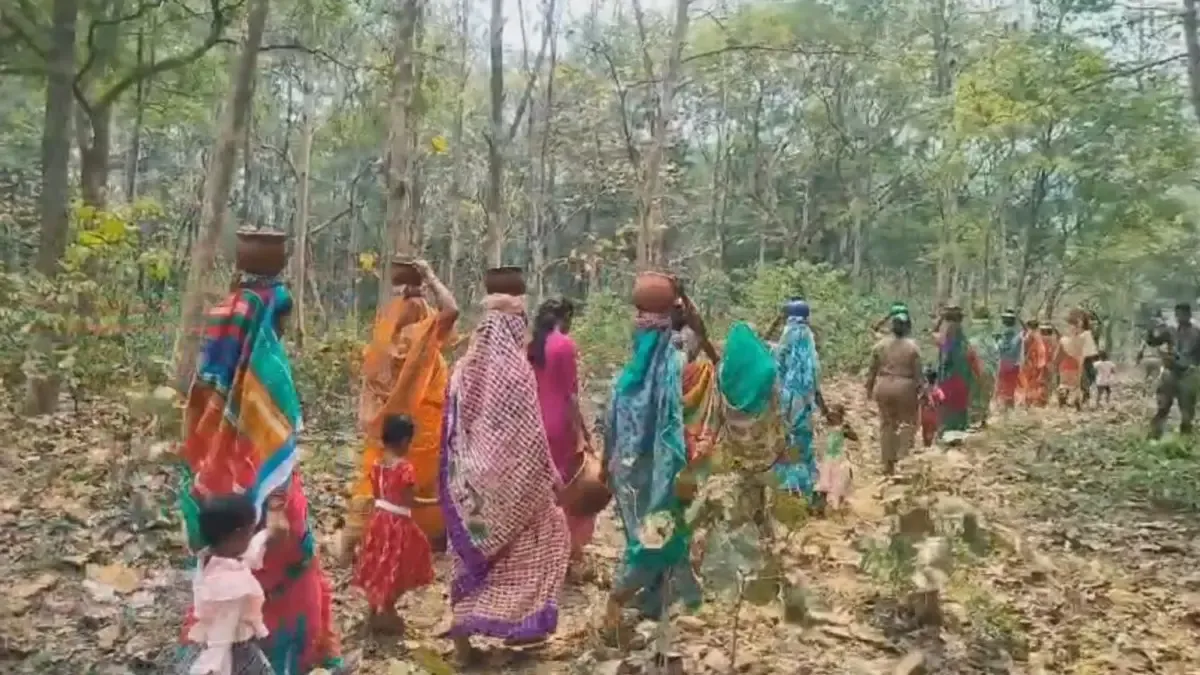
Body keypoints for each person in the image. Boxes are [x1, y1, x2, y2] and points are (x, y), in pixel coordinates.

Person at [180, 271, 343, 674]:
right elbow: (277, 443)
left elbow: (196, 436)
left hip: (218, 501)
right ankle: (287, 660)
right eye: (282, 321)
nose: (284, 330)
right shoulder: (267, 368)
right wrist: (274, 507)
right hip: (271, 505)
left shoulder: (213, 367)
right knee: (285, 589)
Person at [440, 291, 569, 662]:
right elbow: (529, 432)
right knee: (545, 541)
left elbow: (453, 427)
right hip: (516, 478)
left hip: (472, 480)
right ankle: (519, 624)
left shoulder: (462, 368)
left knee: (470, 556)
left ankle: (463, 641)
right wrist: (549, 473)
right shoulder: (516, 371)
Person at [603, 293, 712, 641]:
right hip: (665, 471)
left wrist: (607, 465)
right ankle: (617, 602)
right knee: (657, 536)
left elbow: (609, 428)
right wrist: (687, 304)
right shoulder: (676, 365)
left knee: (645, 535)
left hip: (629, 474)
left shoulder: (623, 382)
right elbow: (700, 333)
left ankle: (655, 599)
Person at [347, 259, 459, 556]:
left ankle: (359, 537)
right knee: (423, 482)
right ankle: (423, 538)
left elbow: (371, 378)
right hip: (424, 427)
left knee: (376, 477)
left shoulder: (384, 334)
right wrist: (431, 277)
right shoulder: (424, 335)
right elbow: (452, 310)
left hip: (388, 426)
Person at [352, 414, 434, 635]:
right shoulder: (404, 468)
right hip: (398, 524)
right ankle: (387, 608)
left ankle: (374, 611)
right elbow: (409, 501)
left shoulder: (378, 464)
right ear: (404, 441)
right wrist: (436, 502)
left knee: (380, 564)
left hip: (379, 520)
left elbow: (380, 494)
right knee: (405, 563)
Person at [529, 297, 594, 574]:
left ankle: (537, 553)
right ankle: (564, 553)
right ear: (564, 317)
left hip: (534, 424)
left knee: (540, 489)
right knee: (567, 490)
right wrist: (583, 432)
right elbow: (570, 396)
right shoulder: (565, 345)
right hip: (559, 427)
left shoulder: (532, 346)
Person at [175, 494, 276, 675]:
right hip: (232, 650)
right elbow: (222, 632)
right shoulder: (229, 586)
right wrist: (211, 666)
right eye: (250, 532)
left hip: (217, 641)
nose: (251, 537)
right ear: (237, 536)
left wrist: (266, 535)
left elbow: (248, 554)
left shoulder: (212, 556)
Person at [773, 299, 826, 496]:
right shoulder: (809, 342)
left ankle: (787, 486)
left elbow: (776, 368)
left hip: (786, 400)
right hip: (805, 403)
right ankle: (806, 487)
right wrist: (824, 409)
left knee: (786, 442)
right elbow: (815, 382)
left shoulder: (787, 338)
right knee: (804, 444)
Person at [865, 304, 922, 474]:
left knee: (886, 424)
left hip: (883, 387)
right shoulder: (913, 347)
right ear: (907, 328)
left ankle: (887, 464)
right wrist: (923, 392)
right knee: (908, 423)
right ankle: (903, 460)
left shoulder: (880, 345)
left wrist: (869, 389)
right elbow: (918, 374)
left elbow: (872, 371)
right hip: (905, 388)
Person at [1147, 302, 1200, 438]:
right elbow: (1153, 342)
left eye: (1183, 314)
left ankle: (1185, 440)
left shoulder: (1197, 331)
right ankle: (1154, 436)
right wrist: (1151, 331)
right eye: (1178, 314)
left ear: (1189, 315)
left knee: (1187, 411)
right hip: (1171, 372)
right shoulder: (1170, 330)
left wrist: (1193, 364)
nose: (1180, 317)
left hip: (1189, 373)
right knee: (1163, 406)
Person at [936, 305, 986, 435]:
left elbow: (935, 337)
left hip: (948, 383)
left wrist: (940, 320)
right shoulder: (964, 341)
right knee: (958, 413)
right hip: (961, 382)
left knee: (947, 414)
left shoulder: (946, 339)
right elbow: (975, 363)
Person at [815, 403, 857, 510]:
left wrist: (847, 429)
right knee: (825, 482)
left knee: (840, 481)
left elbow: (854, 437)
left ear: (841, 416)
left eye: (836, 415)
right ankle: (823, 506)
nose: (833, 417)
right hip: (827, 458)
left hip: (839, 458)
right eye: (832, 415)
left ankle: (839, 505)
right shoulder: (826, 426)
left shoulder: (843, 427)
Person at [1056, 315, 1098, 411]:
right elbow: (1090, 352)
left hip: (1073, 364)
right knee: (1075, 385)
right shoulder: (1083, 337)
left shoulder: (1067, 339)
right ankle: (1076, 402)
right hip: (1076, 364)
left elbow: (1090, 353)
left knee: (1070, 384)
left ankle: (1070, 401)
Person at [1019, 321, 1053, 407]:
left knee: (1033, 385)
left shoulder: (1030, 337)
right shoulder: (1037, 338)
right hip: (1036, 365)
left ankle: (1032, 402)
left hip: (1033, 365)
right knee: (1037, 384)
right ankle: (1035, 402)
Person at [994, 310, 1023, 410]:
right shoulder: (1019, 335)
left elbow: (998, 349)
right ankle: (1009, 410)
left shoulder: (1001, 336)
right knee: (1010, 389)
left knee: (1002, 389)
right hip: (1014, 364)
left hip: (1003, 364)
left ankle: (1003, 410)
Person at [919, 367, 944, 448]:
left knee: (925, 429)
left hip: (925, 413)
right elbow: (942, 400)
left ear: (927, 378)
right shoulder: (938, 389)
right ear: (935, 378)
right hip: (934, 414)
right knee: (931, 430)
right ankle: (929, 446)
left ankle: (926, 445)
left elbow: (919, 400)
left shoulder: (924, 389)